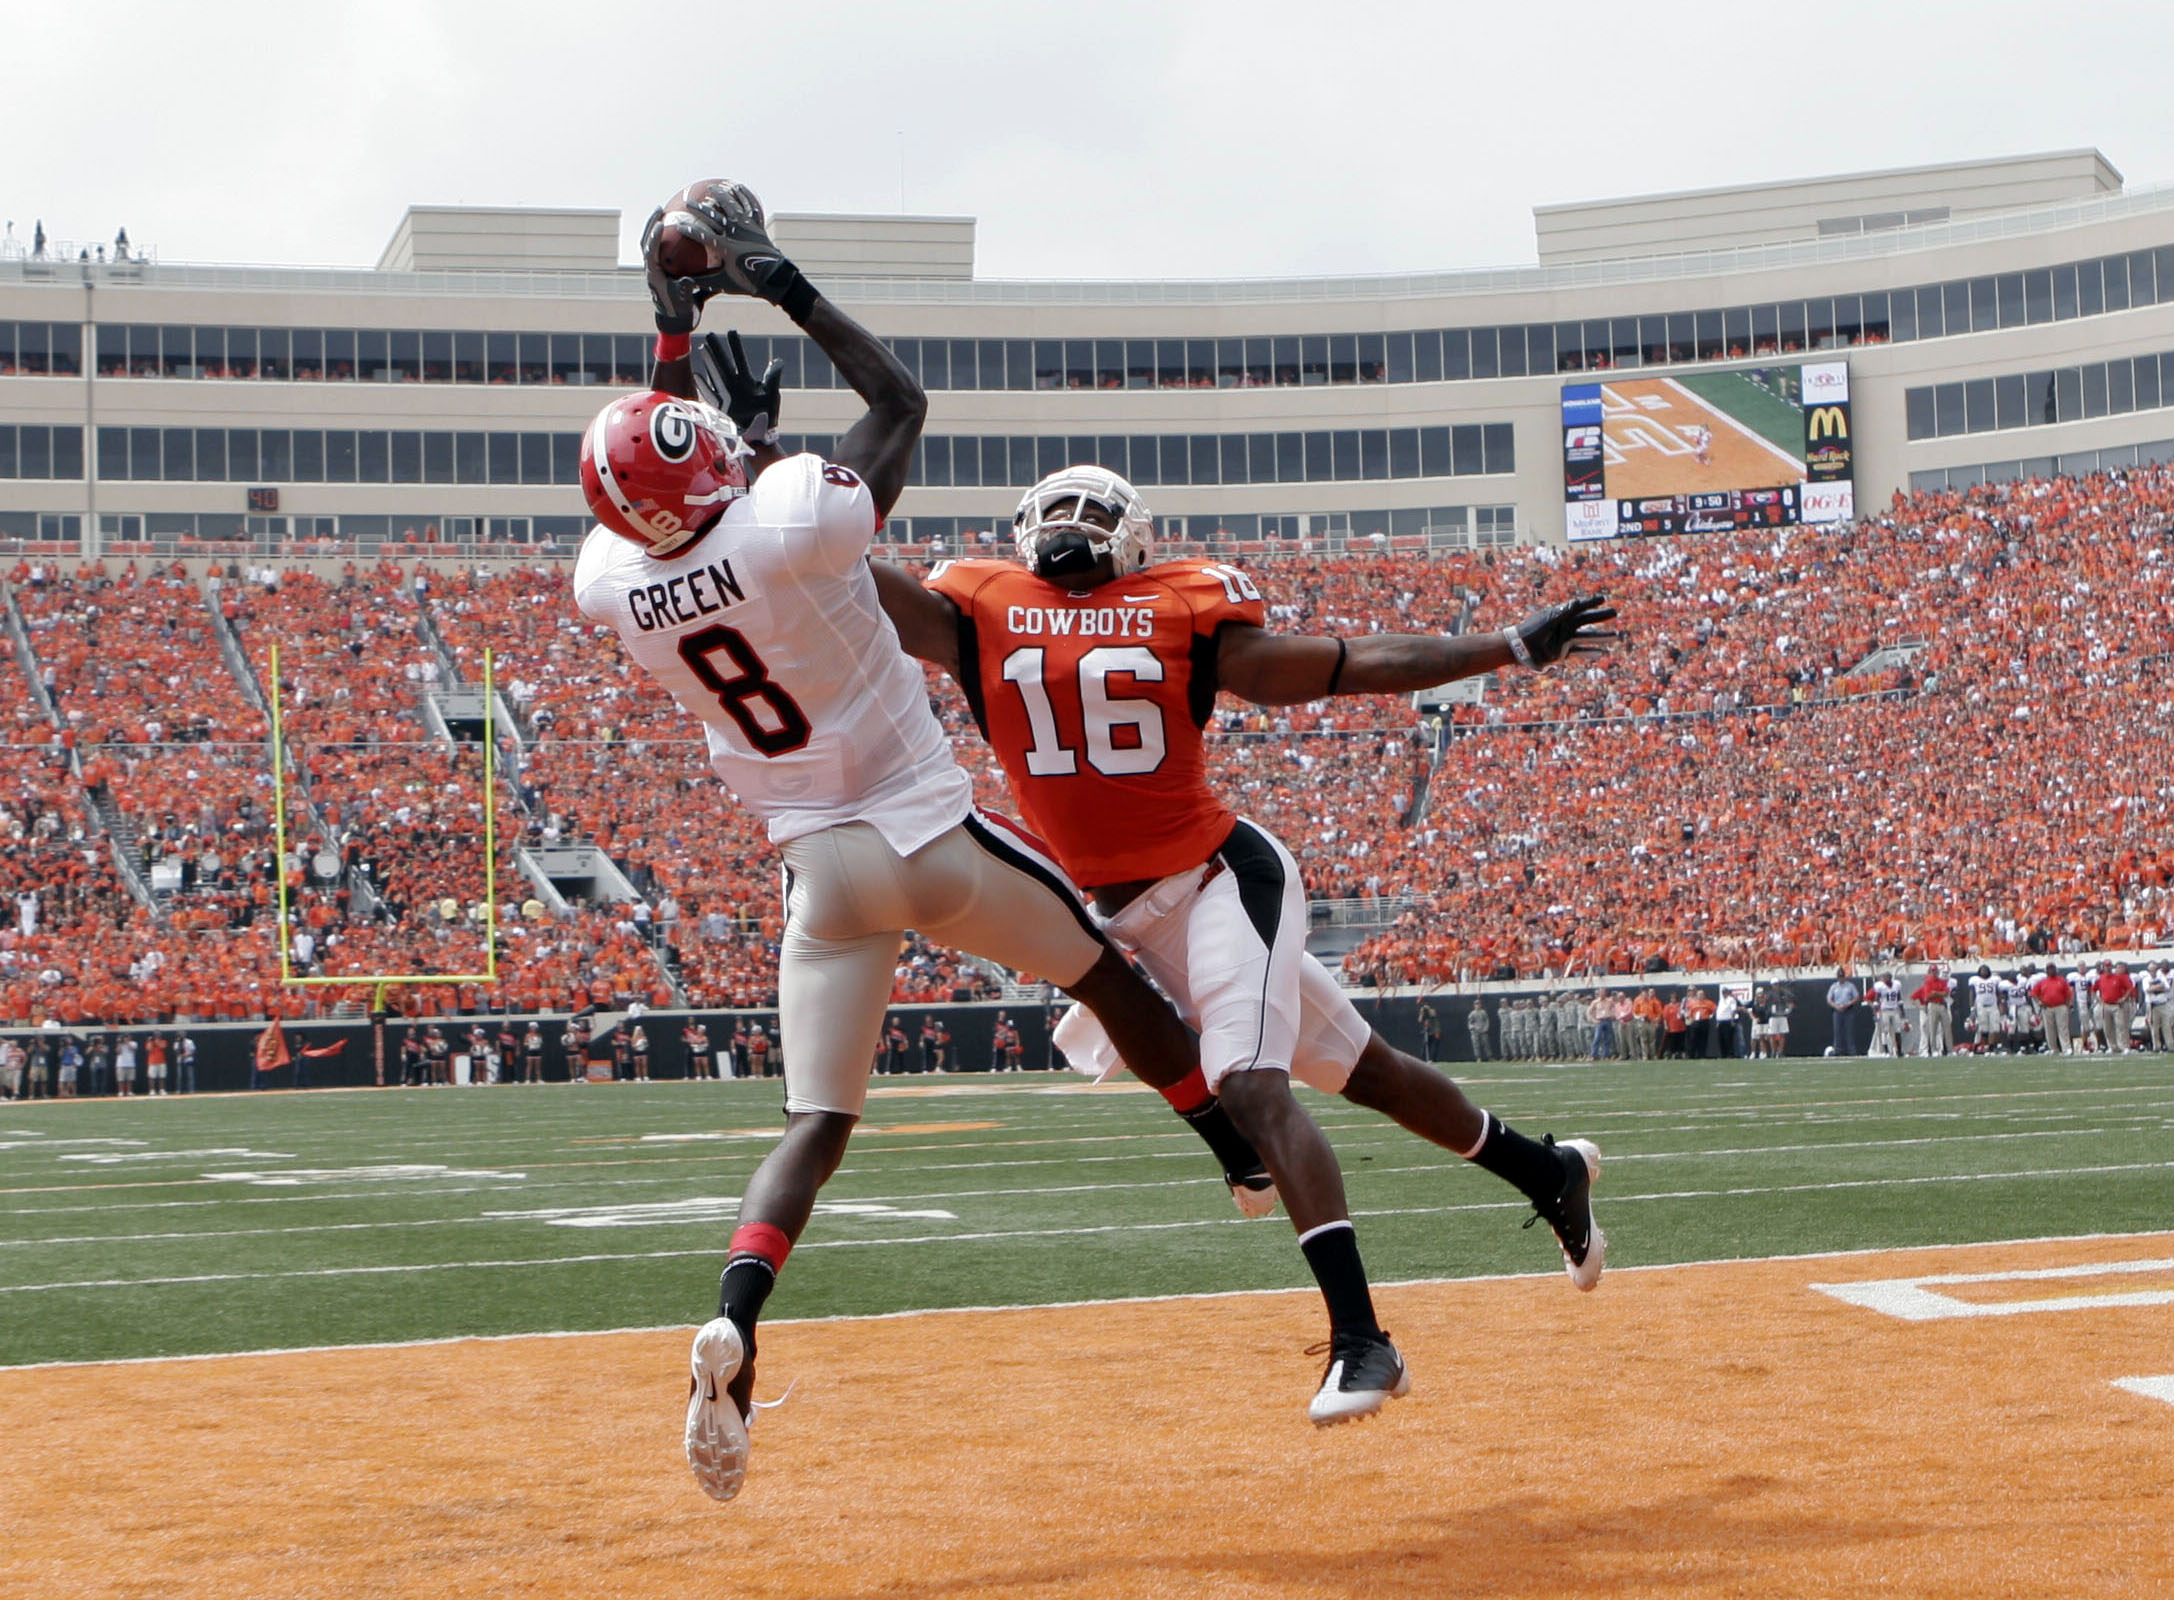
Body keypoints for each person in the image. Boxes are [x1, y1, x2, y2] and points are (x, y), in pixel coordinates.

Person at [587, 185, 1297, 1501]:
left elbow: (666, 485)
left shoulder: (615, 588)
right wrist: (773, 283)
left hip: (820, 876)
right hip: (927, 832)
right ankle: (1234, 1150)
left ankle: (737, 1314)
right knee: (1100, 974)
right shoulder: (796, 514)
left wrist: (672, 338)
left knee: (815, 1122)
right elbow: (901, 407)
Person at [878, 459, 1613, 1375]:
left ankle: (1361, 1340)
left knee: (1249, 1081)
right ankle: (1551, 1174)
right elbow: (834, 561)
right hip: (1128, 918)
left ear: (1138, 536)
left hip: (1222, 881)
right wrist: (752, 486)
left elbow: (1350, 665)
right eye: (1056, 507)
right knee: (1371, 1075)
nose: (1071, 523)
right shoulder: (973, 611)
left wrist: (1503, 647)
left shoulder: (1183, 612)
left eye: (1091, 509)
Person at [1913, 966, 1952, 1057]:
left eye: (1936, 971)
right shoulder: (1928, 983)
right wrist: (1920, 1006)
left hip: (1942, 1005)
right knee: (1932, 1029)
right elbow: (1928, 996)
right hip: (1932, 1005)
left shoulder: (1943, 982)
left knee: (1947, 1028)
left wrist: (1935, 993)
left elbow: (1946, 993)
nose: (1935, 973)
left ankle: (1949, 1049)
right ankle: (1932, 1049)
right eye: (1932, 971)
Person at [1826, 968, 1861, 1057]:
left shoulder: (1850, 986)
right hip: (1837, 1010)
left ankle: (1851, 1051)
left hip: (1848, 1010)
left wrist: (1847, 1004)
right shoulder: (1834, 986)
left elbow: (1856, 997)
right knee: (1837, 1031)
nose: (1841, 978)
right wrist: (1836, 1006)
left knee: (1849, 1031)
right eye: (1839, 977)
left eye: (1842, 976)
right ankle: (1837, 1050)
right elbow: (1829, 999)